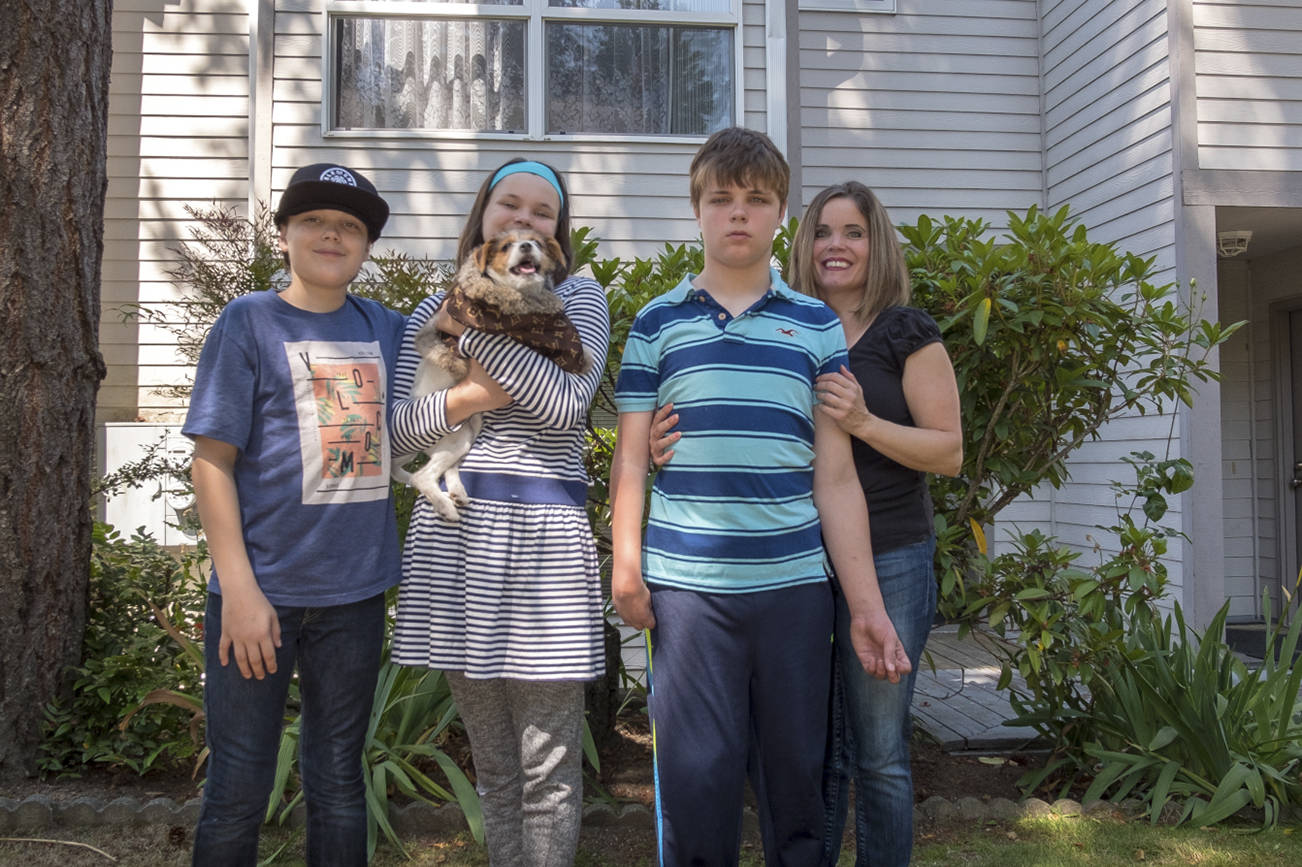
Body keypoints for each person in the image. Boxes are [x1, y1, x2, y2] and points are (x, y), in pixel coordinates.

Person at [609, 127, 911, 867]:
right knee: (696, 783)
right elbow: (630, 459)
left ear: (781, 214)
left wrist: (867, 605)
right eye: (722, 199)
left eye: (757, 199)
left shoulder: (814, 326)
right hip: (688, 595)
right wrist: (625, 563)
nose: (737, 214)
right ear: (698, 210)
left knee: (796, 784)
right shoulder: (657, 322)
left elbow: (835, 475)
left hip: (793, 594)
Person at [388, 158, 610, 867]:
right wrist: (470, 396)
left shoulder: (579, 298)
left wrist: (475, 334)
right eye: (509, 205)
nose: (524, 220)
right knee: (492, 762)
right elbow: (397, 432)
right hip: (456, 536)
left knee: (548, 764)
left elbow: (565, 405)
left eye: (541, 213)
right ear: (483, 216)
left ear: (557, 231)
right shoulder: (432, 308)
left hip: (544, 536)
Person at [185, 163, 404, 865]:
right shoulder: (248, 321)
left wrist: (648, 424)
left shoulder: (389, 329)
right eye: (313, 220)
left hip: (355, 597)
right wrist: (241, 590)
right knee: (238, 786)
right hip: (259, 598)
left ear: (366, 245)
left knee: (339, 780)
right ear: (284, 235)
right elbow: (211, 461)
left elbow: (484, 342)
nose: (331, 234)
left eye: (349, 225)